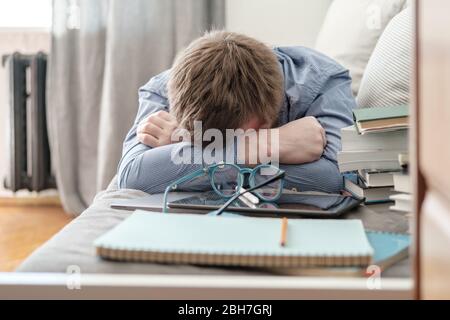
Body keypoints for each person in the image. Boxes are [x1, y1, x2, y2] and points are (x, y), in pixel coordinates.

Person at [117, 30, 355, 194]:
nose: (218, 146)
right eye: (203, 142)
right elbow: (131, 178)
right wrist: (261, 147)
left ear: (264, 122)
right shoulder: (164, 88)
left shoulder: (325, 83)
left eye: (243, 136)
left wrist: (189, 152)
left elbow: (335, 179)